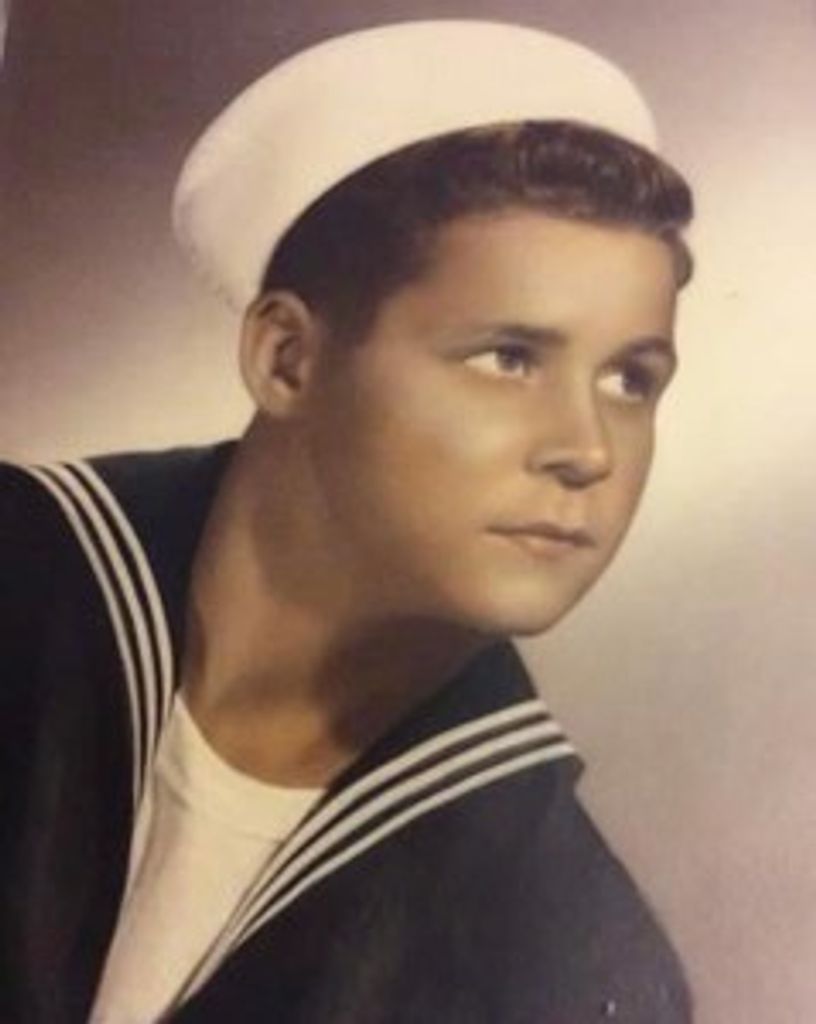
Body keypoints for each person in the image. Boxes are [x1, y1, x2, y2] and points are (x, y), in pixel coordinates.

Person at [0, 20, 695, 1024]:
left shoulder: (571, 949)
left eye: (632, 380)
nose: (588, 448)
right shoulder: (25, 573)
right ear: (286, 358)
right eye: (508, 358)